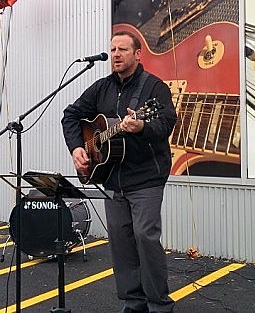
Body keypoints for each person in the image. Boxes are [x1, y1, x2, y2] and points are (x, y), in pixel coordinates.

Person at [62, 30, 177, 312]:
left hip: (146, 177)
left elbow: (166, 123)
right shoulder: (102, 88)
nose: (115, 54)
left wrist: (143, 127)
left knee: (145, 237)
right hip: (112, 177)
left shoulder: (154, 88)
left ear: (138, 54)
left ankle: (159, 304)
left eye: (122, 49)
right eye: (112, 50)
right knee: (121, 242)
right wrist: (78, 147)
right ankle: (133, 301)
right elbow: (71, 115)